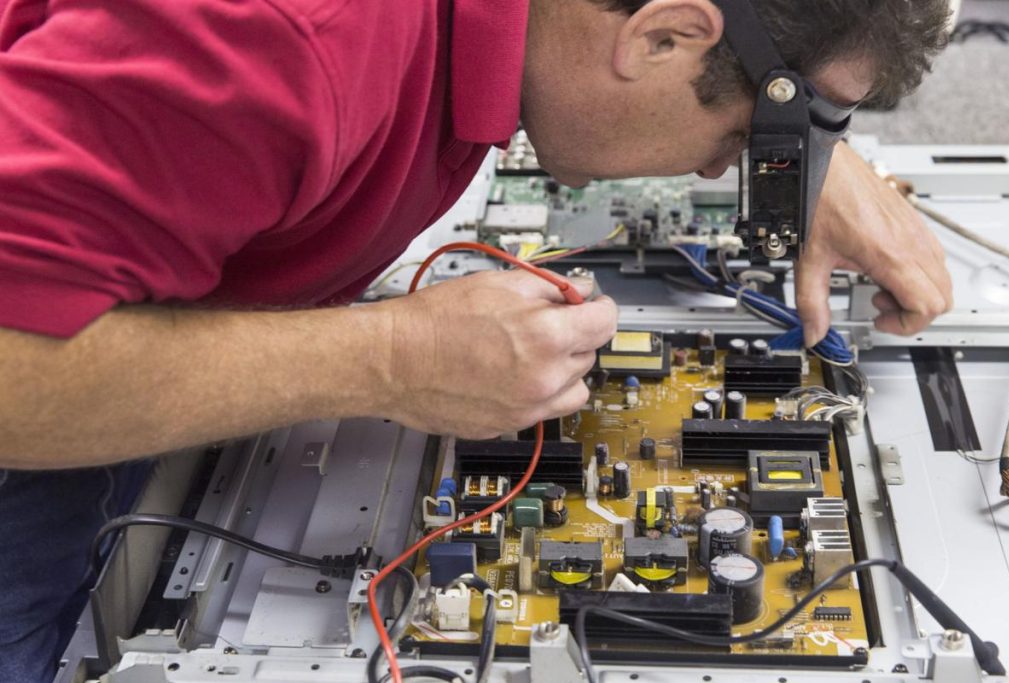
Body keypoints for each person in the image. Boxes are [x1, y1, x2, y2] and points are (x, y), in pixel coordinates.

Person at [0, 0, 952, 679]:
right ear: (664, 33)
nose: (721, 170)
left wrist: (806, 160)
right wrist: (388, 358)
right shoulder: (283, 39)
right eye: (741, 140)